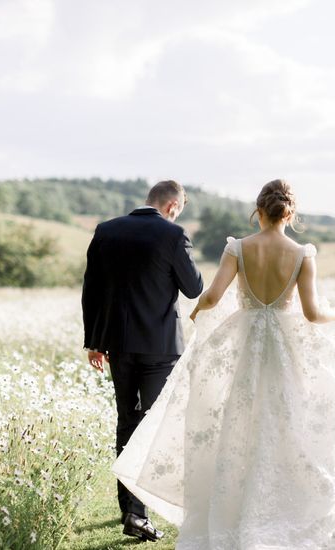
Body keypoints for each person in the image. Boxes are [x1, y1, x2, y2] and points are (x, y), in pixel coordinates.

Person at [112, 179, 335, 548]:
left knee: (240, 426)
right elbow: (312, 314)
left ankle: (237, 511)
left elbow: (213, 295)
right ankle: (283, 513)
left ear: (258, 212)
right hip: (285, 351)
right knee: (285, 425)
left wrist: (199, 311)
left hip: (246, 347)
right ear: (290, 213)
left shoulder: (238, 249)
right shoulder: (302, 254)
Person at [81, 180, 204, 542]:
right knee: (154, 426)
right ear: (173, 206)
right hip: (161, 348)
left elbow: (92, 288)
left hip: (117, 345)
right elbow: (194, 288)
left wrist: (94, 341)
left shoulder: (107, 231)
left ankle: (132, 510)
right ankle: (139, 511)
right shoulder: (174, 234)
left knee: (127, 422)